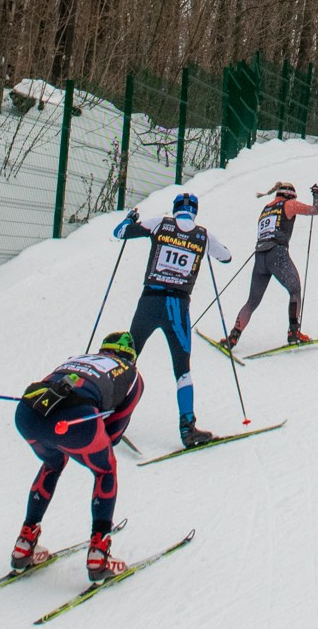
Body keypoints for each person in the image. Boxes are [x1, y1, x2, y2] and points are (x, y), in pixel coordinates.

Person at [10, 332, 142, 581]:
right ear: (131, 357)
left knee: (52, 463)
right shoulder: (132, 373)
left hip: (28, 413)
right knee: (105, 470)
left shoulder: (77, 359)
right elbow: (113, 435)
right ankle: (98, 554)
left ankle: (24, 544)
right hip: (77, 421)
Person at [113, 190, 231, 446]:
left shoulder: (160, 223)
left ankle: (108, 416)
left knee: (127, 358)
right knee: (182, 368)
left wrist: (130, 219)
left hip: (149, 302)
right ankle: (188, 428)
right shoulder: (203, 235)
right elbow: (226, 256)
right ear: (195, 211)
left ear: (175, 208)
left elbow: (120, 233)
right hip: (177, 306)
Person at [224, 180, 318, 350]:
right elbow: (315, 210)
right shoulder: (288, 204)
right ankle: (293, 333)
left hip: (260, 256)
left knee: (252, 301)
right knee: (295, 290)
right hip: (277, 254)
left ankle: (233, 337)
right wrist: (316, 195)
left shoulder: (266, 209)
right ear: (290, 195)